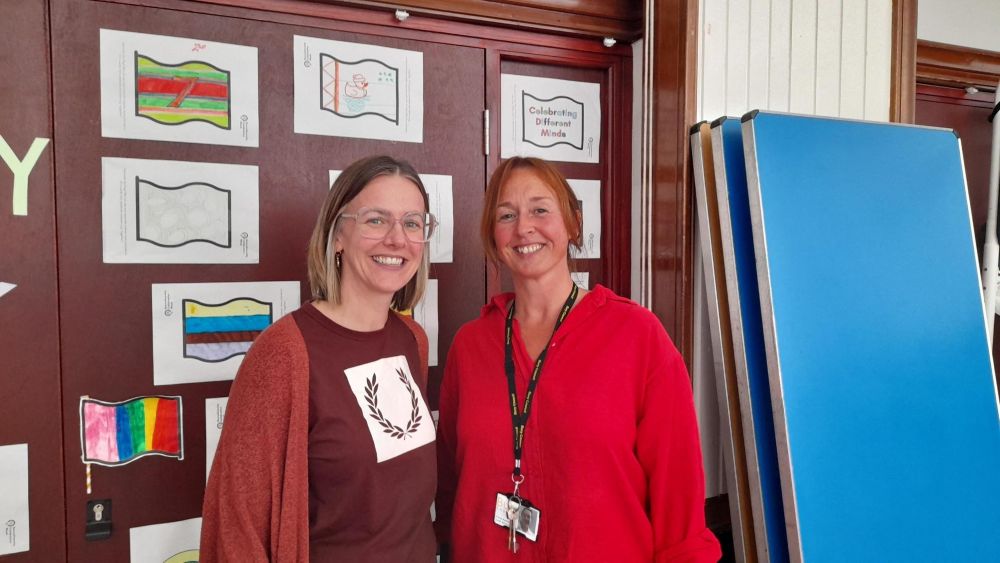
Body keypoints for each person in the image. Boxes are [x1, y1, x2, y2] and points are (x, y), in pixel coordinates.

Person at [435, 157, 721, 562]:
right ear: (492, 234)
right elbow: (450, 483)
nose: (523, 228)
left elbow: (678, 496)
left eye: (540, 209)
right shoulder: (470, 345)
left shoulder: (637, 336)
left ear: (572, 222)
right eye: (506, 215)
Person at [201, 155, 439, 562]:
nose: (397, 239)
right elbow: (237, 523)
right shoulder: (285, 352)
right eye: (376, 220)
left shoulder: (412, 340)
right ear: (338, 234)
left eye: (412, 223)